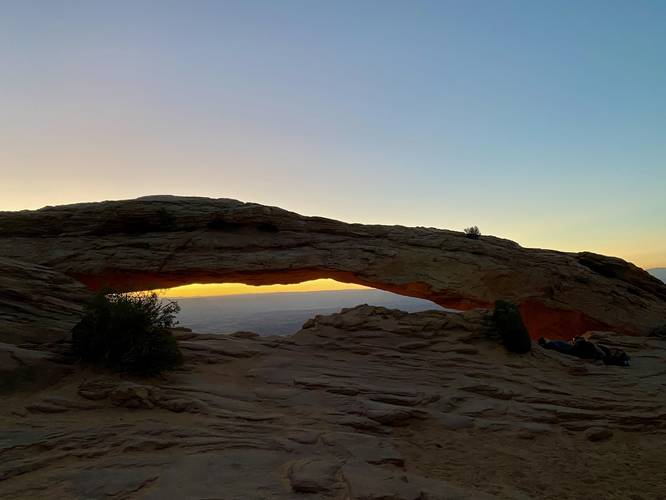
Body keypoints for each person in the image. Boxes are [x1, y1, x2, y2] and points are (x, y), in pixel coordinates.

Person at [538, 336, 630, 366]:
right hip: (578, 350)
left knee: (561, 347)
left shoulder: (553, 343)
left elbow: (564, 346)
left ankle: (547, 343)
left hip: (578, 350)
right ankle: (622, 361)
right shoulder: (551, 345)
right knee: (561, 344)